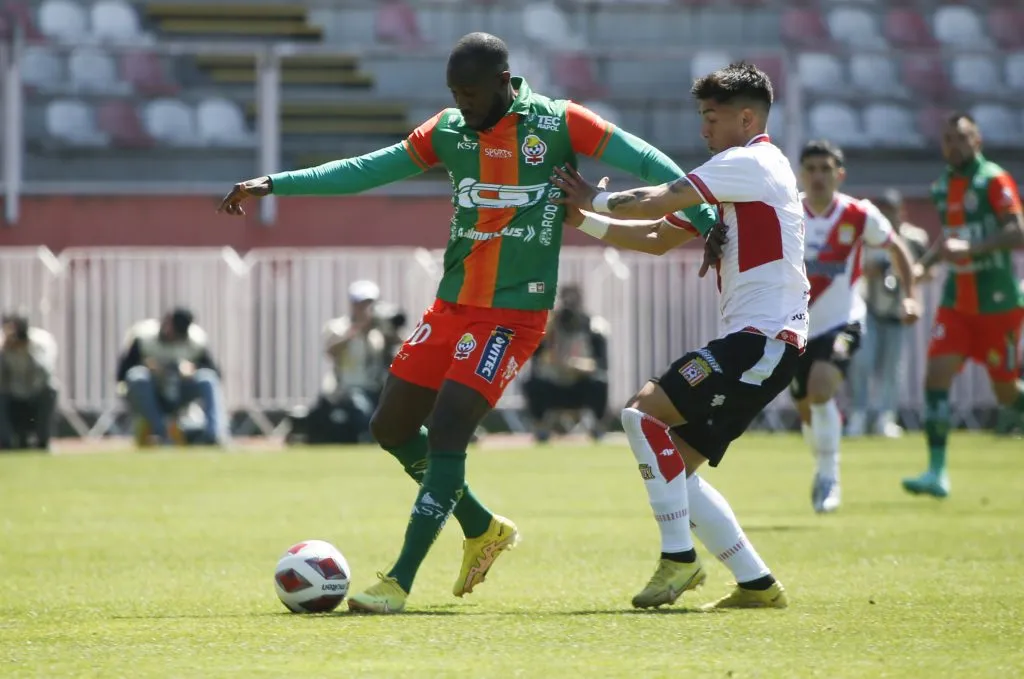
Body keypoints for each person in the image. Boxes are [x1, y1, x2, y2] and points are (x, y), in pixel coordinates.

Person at [218, 32, 718, 613]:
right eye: (455, 93)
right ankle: (482, 527)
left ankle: (397, 582)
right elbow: (366, 169)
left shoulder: (559, 123)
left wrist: (706, 219)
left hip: (513, 317)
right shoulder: (448, 131)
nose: (464, 105)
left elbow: (649, 160)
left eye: (473, 93)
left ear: (505, 82)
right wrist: (273, 182)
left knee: (451, 429)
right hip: (452, 308)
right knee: (391, 428)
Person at [553, 61, 805, 609]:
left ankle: (678, 561)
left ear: (745, 117)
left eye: (711, 118)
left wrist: (592, 199)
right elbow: (656, 237)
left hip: (760, 340)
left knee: (642, 415)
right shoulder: (736, 179)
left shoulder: (749, 163)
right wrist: (585, 223)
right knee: (679, 474)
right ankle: (758, 584)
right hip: (764, 345)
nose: (703, 130)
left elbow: (657, 199)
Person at [793, 141, 920, 514]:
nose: (818, 176)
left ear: (839, 174)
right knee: (806, 412)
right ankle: (822, 462)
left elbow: (897, 250)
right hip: (796, 328)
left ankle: (830, 476)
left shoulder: (858, 214)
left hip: (843, 322)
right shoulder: (785, 211)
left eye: (825, 168)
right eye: (811, 168)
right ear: (801, 174)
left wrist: (911, 296)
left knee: (820, 389)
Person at [903, 113, 1024, 498]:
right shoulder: (942, 187)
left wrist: (972, 248)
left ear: (978, 140)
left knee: (1005, 394)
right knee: (935, 377)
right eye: (948, 138)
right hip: (957, 303)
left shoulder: (993, 180)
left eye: (962, 137)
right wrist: (924, 266)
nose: (954, 145)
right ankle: (936, 473)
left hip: (997, 303)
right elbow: (949, 239)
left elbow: (1017, 230)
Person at [847, 189, 930, 438]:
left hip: (898, 310)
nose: (887, 215)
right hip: (870, 307)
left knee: (893, 368)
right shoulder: (870, 237)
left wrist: (910, 276)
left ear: (900, 211)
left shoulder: (914, 238)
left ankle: (886, 417)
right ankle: (859, 414)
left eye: (892, 210)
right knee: (862, 361)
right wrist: (873, 269)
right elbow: (857, 269)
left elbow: (928, 269)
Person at [293, 280, 406, 444]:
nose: (366, 308)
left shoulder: (380, 330)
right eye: (362, 303)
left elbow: (404, 346)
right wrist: (359, 329)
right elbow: (331, 351)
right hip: (348, 390)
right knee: (363, 413)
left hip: (377, 388)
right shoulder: (339, 326)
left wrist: (391, 331)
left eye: (370, 303)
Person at [115, 307, 227, 446]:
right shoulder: (144, 336)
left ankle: (214, 435)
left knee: (208, 378)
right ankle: (162, 432)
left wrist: (193, 368)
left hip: (180, 389)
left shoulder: (196, 340)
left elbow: (216, 372)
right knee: (138, 376)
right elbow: (122, 374)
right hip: (151, 393)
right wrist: (147, 366)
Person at [522, 283, 610, 442]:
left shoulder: (594, 327)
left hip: (580, 383)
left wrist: (578, 366)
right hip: (553, 383)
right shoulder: (550, 326)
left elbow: (601, 364)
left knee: (600, 383)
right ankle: (541, 426)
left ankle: (597, 427)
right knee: (532, 383)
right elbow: (535, 359)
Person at [0, 314, 58, 451]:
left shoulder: (40, 341)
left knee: (51, 391)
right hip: (12, 394)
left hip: (36, 393)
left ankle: (43, 440)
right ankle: (6, 441)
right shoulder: (3, 345)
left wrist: (28, 350)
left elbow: (46, 372)